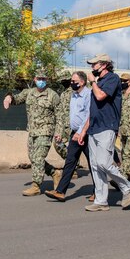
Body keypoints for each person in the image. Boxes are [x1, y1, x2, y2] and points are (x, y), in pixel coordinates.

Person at [84, 54, 130, 211]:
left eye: (94, 65)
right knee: (95, 166)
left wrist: (92, 82)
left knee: (103, 162)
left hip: (107, 126)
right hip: (94, 128)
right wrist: (84, 130)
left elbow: (100, 97)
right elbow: (92, 109)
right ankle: (101, 201)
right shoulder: (98, 82)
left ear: (104, 65)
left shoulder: (112, 79)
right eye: (91, 65)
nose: (92, 67)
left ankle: (127, 187)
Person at [3, 69, 62, 196]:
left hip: (46, 131)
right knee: (33, 158)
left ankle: (36, 186)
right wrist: (9, 97)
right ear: (35, 79)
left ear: (47, 80)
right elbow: (17, 99)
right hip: (32, 131)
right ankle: (54, 173)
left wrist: (59, 132)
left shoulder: (52, 95)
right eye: (39, 79)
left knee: (38, 157)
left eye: (43, 79)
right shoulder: (29, 93)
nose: (41, 81)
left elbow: (60, 116)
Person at [45, 71, 95, 202]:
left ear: (82, 82)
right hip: (75, 133)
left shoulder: (88, 95)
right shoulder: (73, 95)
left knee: (93, 164)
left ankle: (98, 191)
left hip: (86, 133)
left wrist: (80, 132)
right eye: (71, 81)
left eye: (74, 81)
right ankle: (60, 191)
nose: (71, 83)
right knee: (70, 162)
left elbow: (89, 116)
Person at [54, 70, 73, 160]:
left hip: (73, 126)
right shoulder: (63, 94)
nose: (63, 82)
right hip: (64, 126)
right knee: (58, 144)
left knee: (74, 148)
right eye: (62, 81)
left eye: (65, 80)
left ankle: (73, 167)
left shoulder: (75, 92)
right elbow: (61, 112)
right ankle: (70, 160)